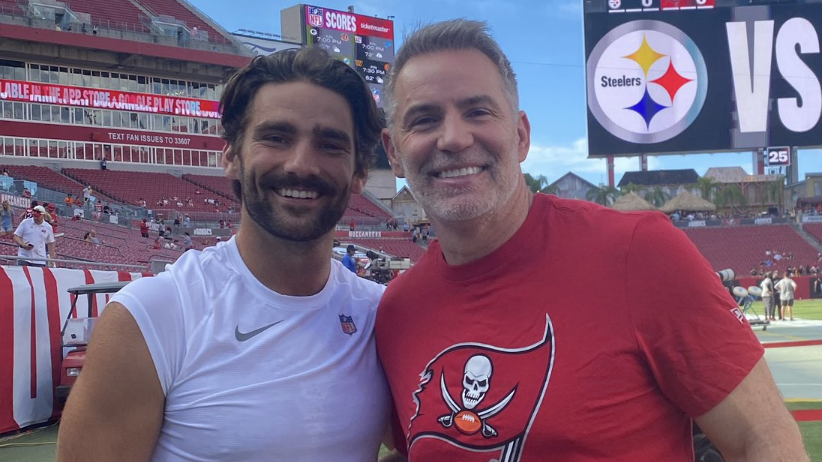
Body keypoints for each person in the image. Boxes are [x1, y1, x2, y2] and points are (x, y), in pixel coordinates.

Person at [374, 20, 808, 462]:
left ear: (521, 136)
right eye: (425, 119)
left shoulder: (639, 252)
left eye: (478, 112)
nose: (453, 137)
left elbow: (765, 438)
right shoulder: (397, 310)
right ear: (393, 152)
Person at [57, 46, 391, 462]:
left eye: (330, 145)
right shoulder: (153, 316)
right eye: (276, 137)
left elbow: (438, 446)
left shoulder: (382, 316)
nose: (302, 164)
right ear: (231, 155)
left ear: (360, 172)